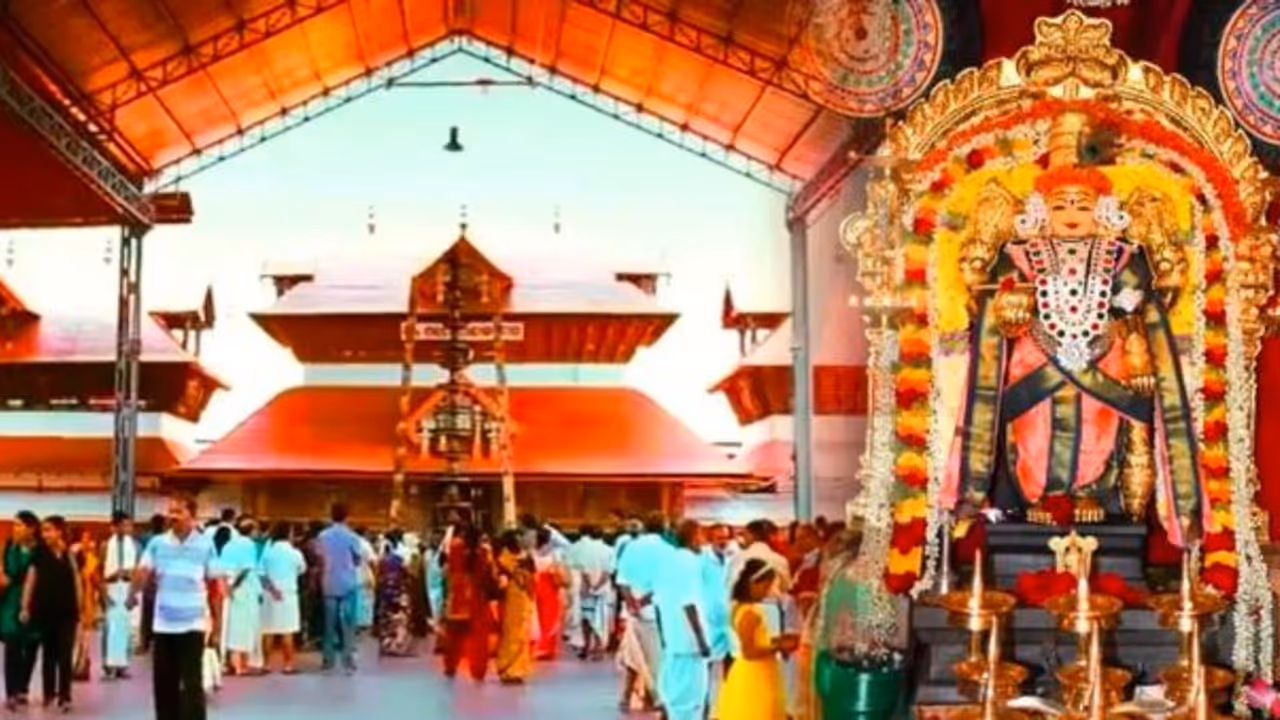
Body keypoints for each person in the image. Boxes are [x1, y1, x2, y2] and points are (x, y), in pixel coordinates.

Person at [128, 495, 223, 720]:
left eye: (179, 511)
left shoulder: (205, 544)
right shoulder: (157, 543)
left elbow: (215, 583)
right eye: (171, 511)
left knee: (192, 681)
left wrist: (217, 622)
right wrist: (133, 593)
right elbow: (142, 571)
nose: (173, 516)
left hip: (193, 624)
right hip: (164, 624)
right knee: (164, 680)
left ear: (192, 515)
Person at [717, 558, 793, 720]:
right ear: (753, 584)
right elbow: (749, 651)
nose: (767, 592)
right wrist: (778, 647)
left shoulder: (739, 607)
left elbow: (757, 640)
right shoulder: (751, 614)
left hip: (750, 671)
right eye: (766, 586)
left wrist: (777, 641)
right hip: (755, 676)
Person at [20, 515, 82, 712]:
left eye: (49, 530)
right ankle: (49, 694)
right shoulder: (38, 553)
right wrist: (25, 607)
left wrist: (80, 607)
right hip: (44, 611)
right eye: (44, 530)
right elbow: (30, 581)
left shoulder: (70, 554)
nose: (45, 534)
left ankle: (65, 696)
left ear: (59, 531)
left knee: (65, 655)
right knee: (49, 655)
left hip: (67, 612)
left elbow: (76, 580)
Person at [652, 520, 711, 720]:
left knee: (674, 690)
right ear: (694, 537)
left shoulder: (669, 560)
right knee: (692, 698)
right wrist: (701, 640)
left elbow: (658, 599)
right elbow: (690, 603)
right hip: (689, 642)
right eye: (701, 536)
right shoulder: (690, 562)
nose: (703, 541)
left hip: (673, 637)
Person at [615, 513, 672, 711]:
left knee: (633, 652)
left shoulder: (631, 547)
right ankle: (654, 696)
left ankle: (626, 695)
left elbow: (622, 580)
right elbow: (665, 584)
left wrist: (632, 604)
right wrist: (644, 602)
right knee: (656, 657)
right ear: (665, 527)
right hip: (656, 610)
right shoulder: (667, 550)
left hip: (631, 611)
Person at [441, 525, 496, 681]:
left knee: (454, 637)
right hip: (478, 598)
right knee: (479, 638)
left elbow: (448, 569)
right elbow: (489, 574)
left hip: (458, 597)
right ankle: (478, 671)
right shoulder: (484, 552)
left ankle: (450, 667)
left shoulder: (455, 547)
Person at [314, 503, 365, 673]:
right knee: (348, 623)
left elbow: (319, 560)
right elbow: (358, 560)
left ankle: (328, 660)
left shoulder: (322, 536)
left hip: (328, 582)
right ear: (347, 516)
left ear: (331, 515)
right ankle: (348, 660)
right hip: (348, 583)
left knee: (329, 623)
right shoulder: (352, 537)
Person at [2, 511, 40, 709]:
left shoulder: (39, 551)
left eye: (19, 525)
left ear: (31, 528)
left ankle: (23, 686)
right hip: (10, 601)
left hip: (35, 601)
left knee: (31, 646)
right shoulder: (9, 547)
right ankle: (11, 692)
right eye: (13, 525)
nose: (15, 529)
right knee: (12, 645)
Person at [259, 522, 306, 673]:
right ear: (288, 534)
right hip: (288, 594)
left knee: (268, 630)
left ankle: (266, 664)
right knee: (288, 630)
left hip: (269, 594)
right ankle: (288, 665)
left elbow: (261, 574)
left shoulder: (268, 552)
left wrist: (272, 589)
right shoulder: (294, 553)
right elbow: (301, 569)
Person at [221, 518, 263, 676]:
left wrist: (227, 587)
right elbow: (246, 569)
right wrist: (235, 586)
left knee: (231, 625)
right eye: (256, 530)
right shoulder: (248, 545)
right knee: (245, 625)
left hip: (229, 587)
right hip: (244, 589)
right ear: (250, 530)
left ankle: (234, 663)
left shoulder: (229, 545)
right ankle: (241, 666)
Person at [493, 531, 535, 684]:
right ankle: (507, 668)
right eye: (517, 539)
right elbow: (499, 581)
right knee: (510, 633)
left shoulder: (527, 558)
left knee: (523, 634)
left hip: (524, 599)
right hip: (509, 600)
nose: (521, 542)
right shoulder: (503, 559)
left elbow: (532, 577)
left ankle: (519, 669)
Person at [102, 511, 140, 679]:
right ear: (115, 527)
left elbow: (138, 571)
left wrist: (133, 593)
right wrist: (104, 595)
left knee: (125, 627)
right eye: (123, 525)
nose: (127, 528)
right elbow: (97, 572)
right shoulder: (105, 545)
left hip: (126, 587)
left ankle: (122, 665)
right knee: (110, 628)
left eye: (128, 525)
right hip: (111, 587)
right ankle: (109, 665)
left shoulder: (134, 546)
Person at [702, 524, 733, 718]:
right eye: (718, 538)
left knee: (731, 668)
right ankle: (703, 709)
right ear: (710, 539)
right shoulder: (701, 558)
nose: (722, 541)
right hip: (707, 621)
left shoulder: (734, 557)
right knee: (704, 669)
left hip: (730, 621)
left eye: (725, 538)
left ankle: (728, 709)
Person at [374, 530, 416, 657]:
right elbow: (409, 574)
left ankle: (386, 645)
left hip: (385, 592)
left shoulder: (382, 559)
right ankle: (398, 646)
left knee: (386, 619)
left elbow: (379, 576)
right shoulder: (403, 556)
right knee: (401, 619)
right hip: (399, 592)